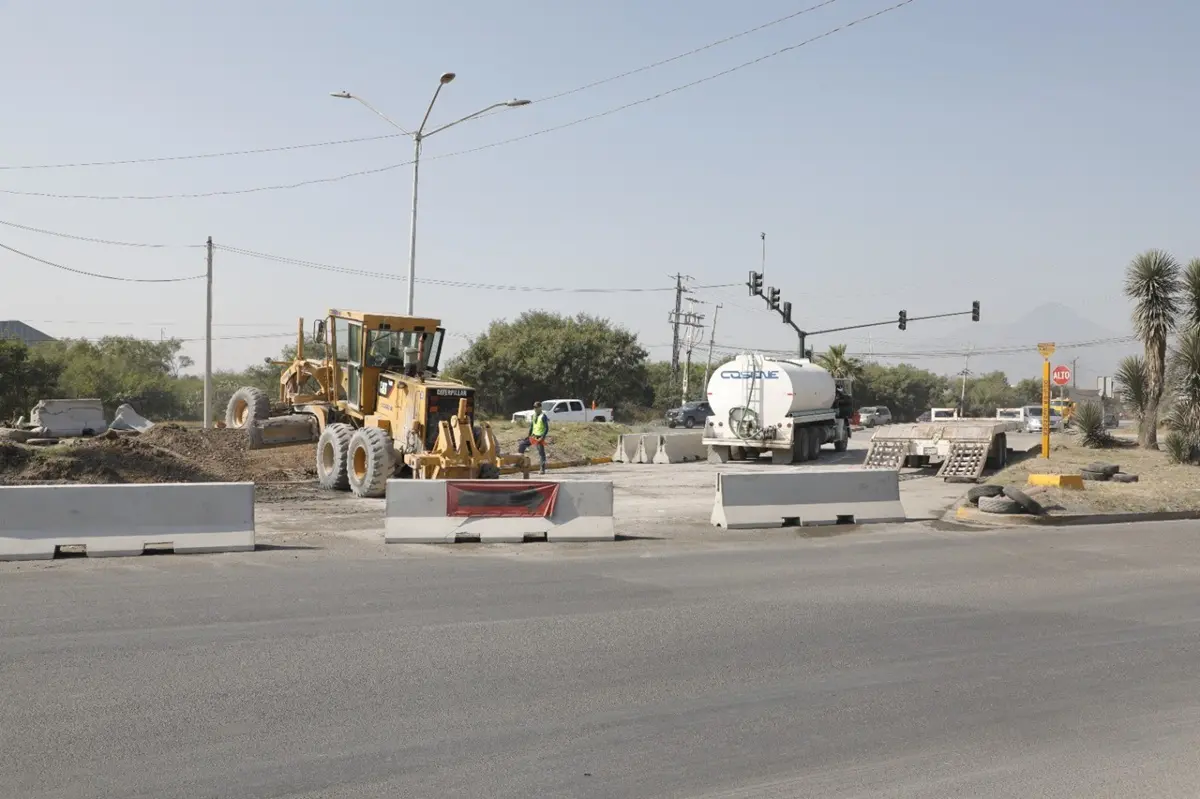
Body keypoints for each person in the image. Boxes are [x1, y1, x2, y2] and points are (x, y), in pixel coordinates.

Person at [518, 401, 549, 474]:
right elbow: (532, 426)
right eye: (534, 407)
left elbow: (546, 428)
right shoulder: (534, 415)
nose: (535, 409)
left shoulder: (543, 416)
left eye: (537, 407)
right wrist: (528, 436)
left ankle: (542, 469)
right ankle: (519, 463)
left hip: (539, 437)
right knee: (522, 445)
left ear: (540, 408)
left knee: (541, 453)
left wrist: (542, 437)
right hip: (533, 436)